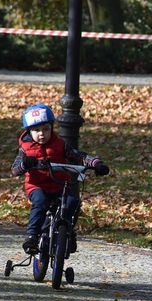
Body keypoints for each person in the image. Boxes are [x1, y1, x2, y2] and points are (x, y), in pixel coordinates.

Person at [11, 104, 110, 255]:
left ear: (52, 128)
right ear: (29, 132)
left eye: (45, 129)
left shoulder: (60, 145)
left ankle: (69, 232)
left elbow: (79, 156)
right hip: (37, 186)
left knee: (73, 202)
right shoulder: (25, 149)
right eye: (36, 130)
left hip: (60, 185)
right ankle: (32, 237)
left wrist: (96, 164)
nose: (42, 134)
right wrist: (25, 164)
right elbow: (15, 169)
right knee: (40, 202)